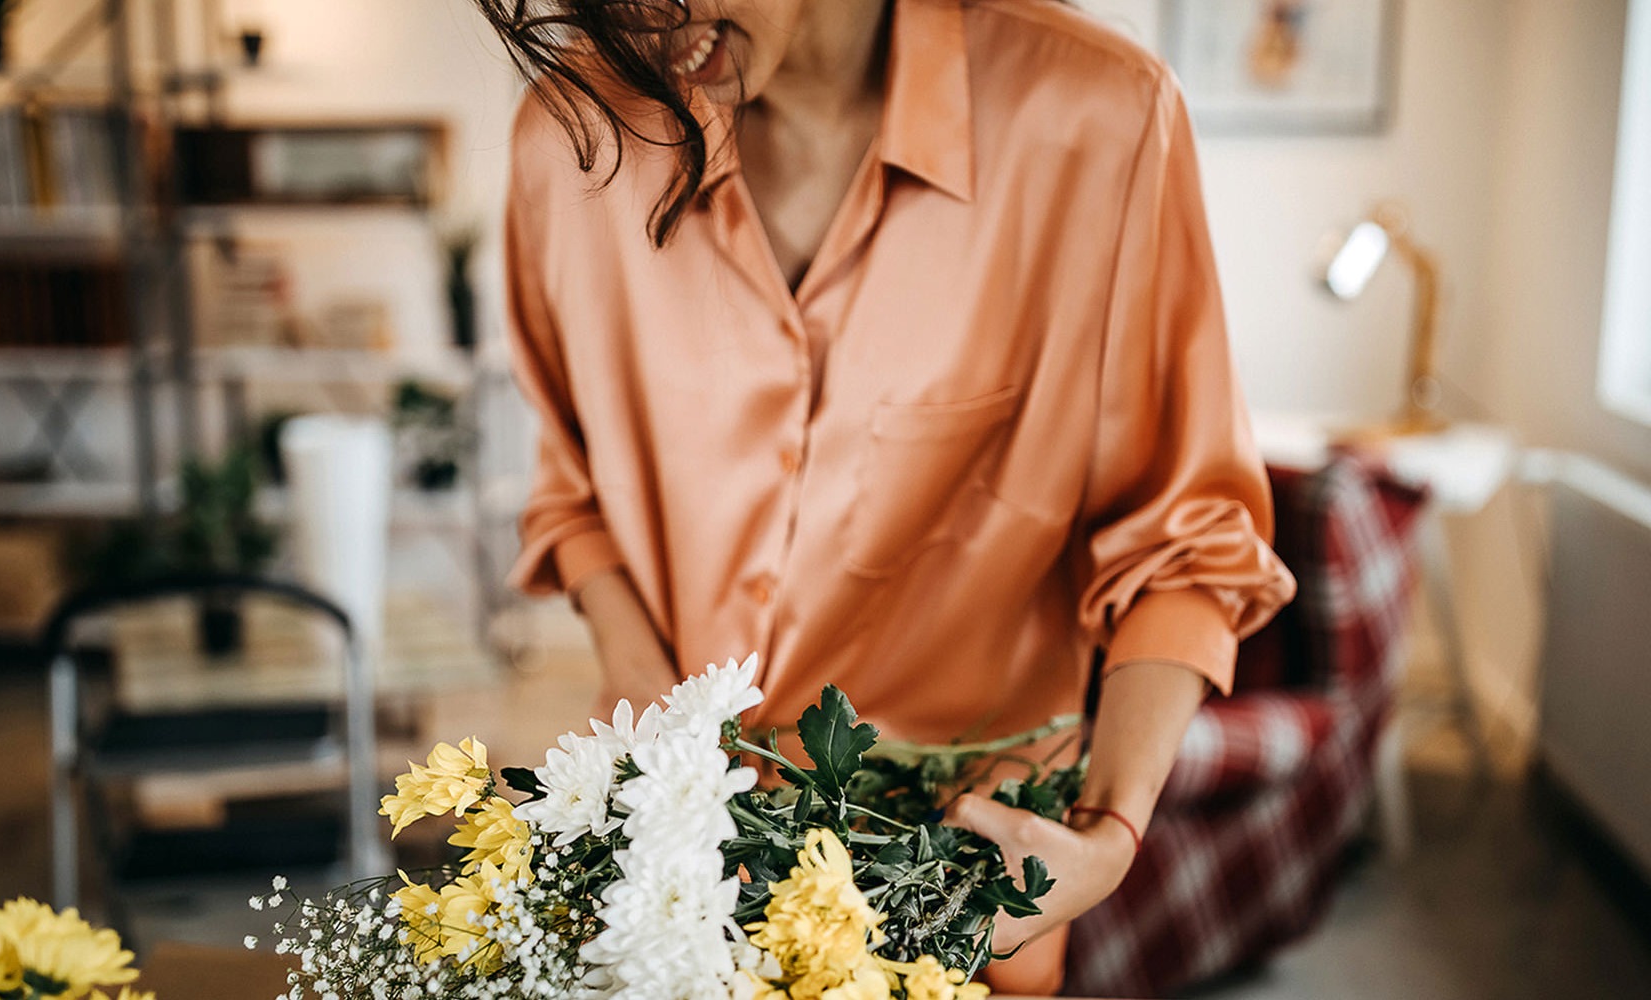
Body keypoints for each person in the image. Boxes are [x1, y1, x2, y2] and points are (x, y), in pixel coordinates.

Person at [478, 0, 1296, 990]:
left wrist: (1109, 830)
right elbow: (574, 488)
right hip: (659, 887)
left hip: (950, 907)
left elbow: (1184, 542)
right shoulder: (569, 141)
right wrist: (652, 713)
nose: (639, 19)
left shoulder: (1100, 120)